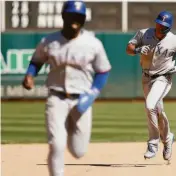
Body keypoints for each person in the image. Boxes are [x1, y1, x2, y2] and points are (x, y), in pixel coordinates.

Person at [22, 1, 111, 175]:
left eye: (78, 17)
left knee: (79, 152)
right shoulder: (49, 41)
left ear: (84, 19)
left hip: (82, 98)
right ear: (64, 17)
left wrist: (92, 95)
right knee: (56, 144)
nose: (74, 20)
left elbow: (103, 71)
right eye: (71, 16)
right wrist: (30, 74)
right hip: (56, 97)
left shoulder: (93, 43)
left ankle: (69, 130)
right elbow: (36, 61)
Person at [126, 11, 176, 161]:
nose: (159, 26)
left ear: (168, 27)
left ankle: (153, 142)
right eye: (158, 23)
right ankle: (168, 139)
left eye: (163, 25)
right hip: (146, 77)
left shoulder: (175, 40)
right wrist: (137, 50)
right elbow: (128, 48)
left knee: (150, 106)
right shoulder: (144, 34)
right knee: (158, 110)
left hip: (163, 77)